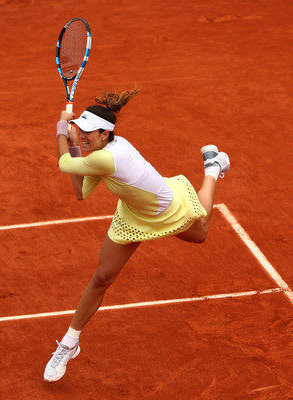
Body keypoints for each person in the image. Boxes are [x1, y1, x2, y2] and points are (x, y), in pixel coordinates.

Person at [43, 86, 230, 382]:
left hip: (165, 210)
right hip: (131, 215)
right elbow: (80, 191)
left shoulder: (105, 159)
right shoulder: (101, 154)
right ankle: (69, 342)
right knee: (102, 277)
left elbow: (66, 164)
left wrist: (61, 129)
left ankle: (212, 168)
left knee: (201, 232)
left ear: (106, 134)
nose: (85, 136)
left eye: (89, 133)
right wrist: (72, 135)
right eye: (82, 130)